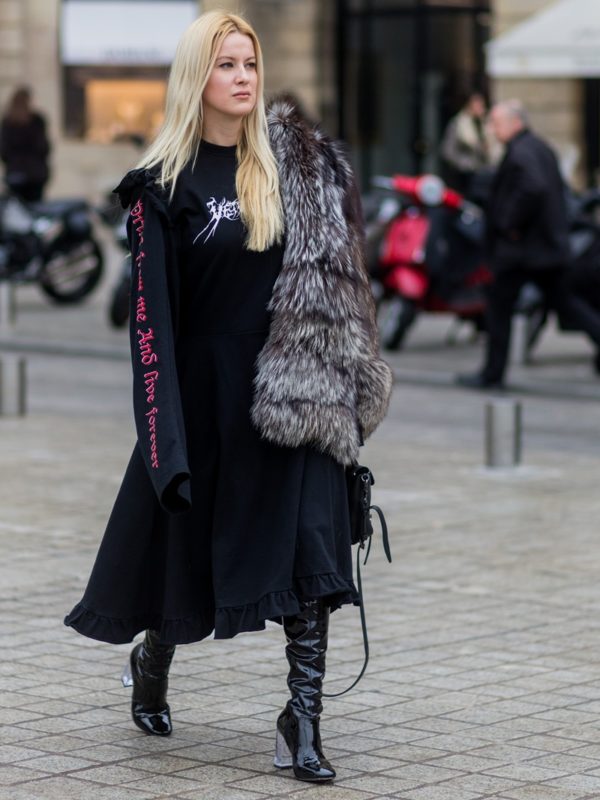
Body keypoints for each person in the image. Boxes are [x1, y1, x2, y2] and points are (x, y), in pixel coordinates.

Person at [63, 10, 392, 784]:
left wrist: (343, 394)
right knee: (180, 562)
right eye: (227, 65)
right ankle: (154, 658)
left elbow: (338, 293)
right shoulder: (162, 190)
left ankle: (300, 720)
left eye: (250, 63)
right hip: (204, 400)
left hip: (293, 398)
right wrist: (163, 440)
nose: (243, 77)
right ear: (196, 78)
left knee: (313, 556)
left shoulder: (295, 174)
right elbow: (152, 331)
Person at [457, 100, 600, 389]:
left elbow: (533, 188)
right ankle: (491, 373)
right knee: (567, 304)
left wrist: (509, 224)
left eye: (497, 123)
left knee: (499, 308)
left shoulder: (522, 153)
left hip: (522, 252)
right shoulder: (538, 148)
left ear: (516, 122)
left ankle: (492, 374)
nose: (494, 130)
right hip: (544, 249)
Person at [440, 91, 498, 195]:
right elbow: (448, 150)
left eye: (482, 104)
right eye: (477, 104)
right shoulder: (459, 123)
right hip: (464, 174)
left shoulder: (484, 123)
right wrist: (462, 165)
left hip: (483, 173)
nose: (480, 107)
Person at [0, 86, 50, 202]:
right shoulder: (36, 120)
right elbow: (43, 147)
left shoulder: (8, 122)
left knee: (17, 210)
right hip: (35, 174)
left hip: (16, 173)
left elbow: (4, 151)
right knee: (35, 209)